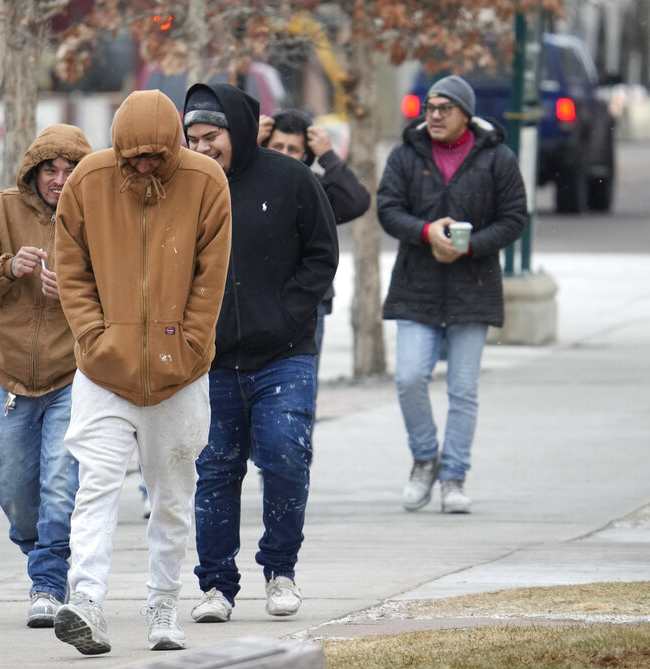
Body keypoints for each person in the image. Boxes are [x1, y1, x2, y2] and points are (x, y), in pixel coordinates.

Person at [51, 89, 232, 654]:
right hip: (104, 371)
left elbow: (211, 276)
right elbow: (71, 268)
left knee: (173, 495)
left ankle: (163, 603)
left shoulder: (206, 182)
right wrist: (93, 338)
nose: (146, 164)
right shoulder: (88, 180)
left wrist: (192, 344)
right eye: (135, 156)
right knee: (96, 485)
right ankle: (84, 600)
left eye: (157, 155)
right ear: (118, 146)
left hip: (180, 372)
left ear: (176, 145)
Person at [183, 83, 339, 623]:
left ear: (240, 132)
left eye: (212, 137)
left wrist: (285, 315)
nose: (202, 148)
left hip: (285, 353)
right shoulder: (184, 188)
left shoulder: (290, 178)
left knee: (285, 454)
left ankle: (280, 569)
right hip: (213, 359)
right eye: (192, 138)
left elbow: (322, 255)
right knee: (216, 469)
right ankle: (217, 587)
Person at [0, 124, 92, 628]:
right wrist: (9, 267)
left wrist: (74, 292)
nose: (60, 179)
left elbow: (122, 287)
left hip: (74, 374)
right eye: (50, 169)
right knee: (13, 485)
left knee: (61, 480)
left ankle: (49, 582)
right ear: (33, 171)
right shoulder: (2, 209)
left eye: (71, 168)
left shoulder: (97, 212)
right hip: (11, 376)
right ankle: (44, 557)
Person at [376, 75, 526, 514]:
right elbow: (387, 208)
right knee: (408, 379)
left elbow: (515, 216)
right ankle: (426, 458)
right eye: (429, 108)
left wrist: (470, 245)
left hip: (472, 287)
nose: (435, 116)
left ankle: (454, 475)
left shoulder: (497, 157)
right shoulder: (407, 154)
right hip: (415, 285)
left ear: (466, 113)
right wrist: (425, 232)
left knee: (463, 389)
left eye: (444, 108)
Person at [258, 108, 370, 355]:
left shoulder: (314, 188)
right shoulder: (249, 181)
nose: (284, 155)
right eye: (277, 146)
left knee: (301, 384)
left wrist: (329, 155)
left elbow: (357, 202)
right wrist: (248, 146)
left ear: (306, 154)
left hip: (308, 301)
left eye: (293, 149)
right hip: (255, 296)